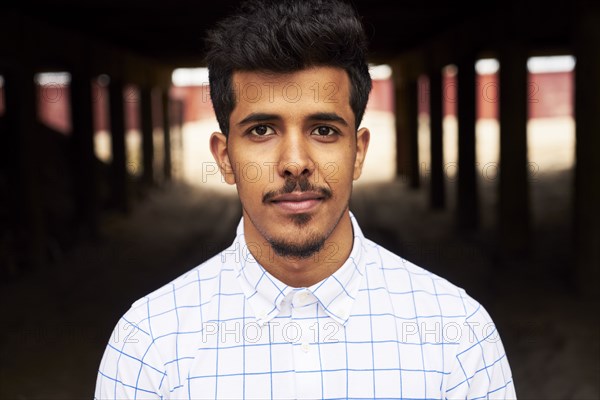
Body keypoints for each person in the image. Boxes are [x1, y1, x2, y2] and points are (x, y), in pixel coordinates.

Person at [94, 0, 516, 398]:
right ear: (225, 158)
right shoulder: (148, 343)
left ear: (358, 152)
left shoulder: (459, 332)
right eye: (261, 130)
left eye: (324, 130)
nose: (295, 163)